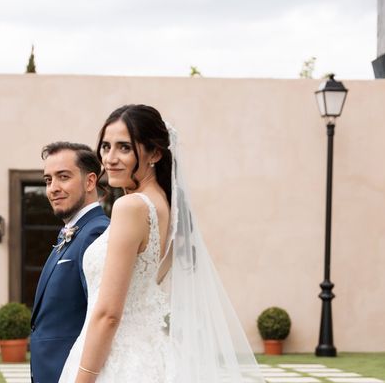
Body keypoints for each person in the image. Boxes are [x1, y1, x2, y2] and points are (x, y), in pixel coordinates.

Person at [58, 105, 266, 383]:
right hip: (151, 356)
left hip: (117, 360)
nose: (110, 158)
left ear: (155, 153)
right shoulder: (167, 208)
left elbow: (108, 313)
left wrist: (83, 379)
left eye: (124, 148)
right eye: (106, 146)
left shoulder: (130, 207)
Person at [30, 142, 110, 383]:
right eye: (48, 180)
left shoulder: (97, 234)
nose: (53, 188)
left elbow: (103, 315)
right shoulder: (72, 232)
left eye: (63, 177)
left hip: (72, 371)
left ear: (89, 182)